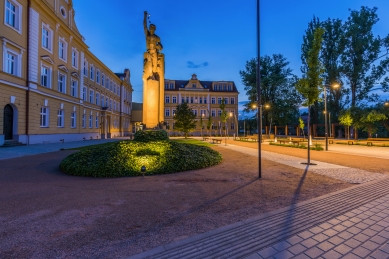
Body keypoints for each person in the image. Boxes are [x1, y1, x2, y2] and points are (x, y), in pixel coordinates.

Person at [143, 11, 163, 80]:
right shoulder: (147, 35)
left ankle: (154, 76)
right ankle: (151, 76)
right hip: (149, 52)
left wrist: (158, 46)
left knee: (154, 67)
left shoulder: (157, 37)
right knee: (149, 65)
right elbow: (144, 25)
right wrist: (145, 16)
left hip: (154, 52)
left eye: (152, 28)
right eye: (150, 28)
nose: (151, 29)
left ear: (154, 29)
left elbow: (161, 47)